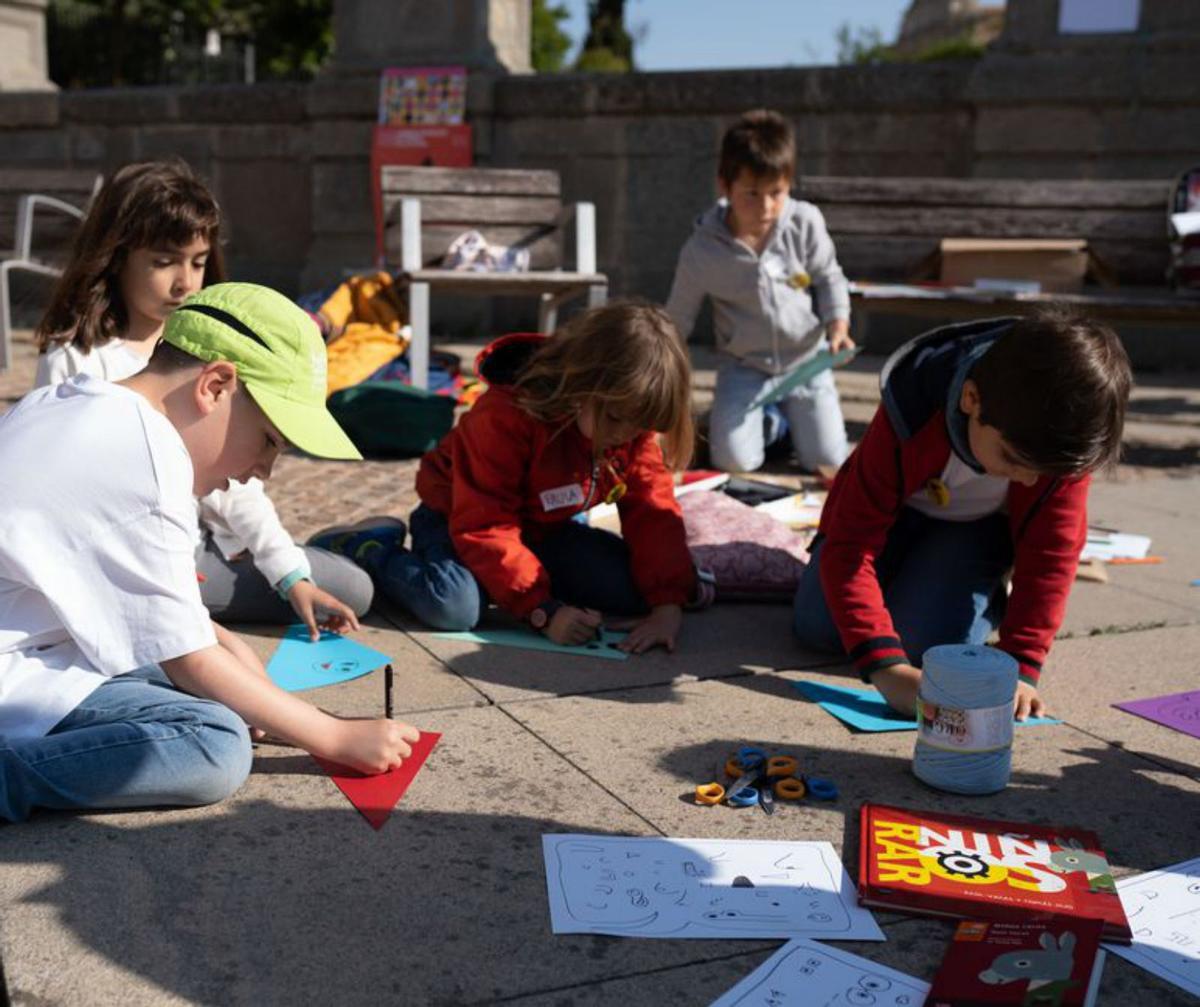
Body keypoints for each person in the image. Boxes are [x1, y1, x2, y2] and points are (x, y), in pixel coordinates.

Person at [0, 282, 420, 822]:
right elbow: (191, 662)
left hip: (35, 651)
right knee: (214, 742)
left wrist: (222, 645)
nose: (263, 470)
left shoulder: (77, 402)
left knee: (224, 691)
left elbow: (167, 620)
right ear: (216, 385)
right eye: (269, 440)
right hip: (17, 674)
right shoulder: (150, 464)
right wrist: (335, 736)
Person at [34, 160, 371, 639]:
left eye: (197, 262)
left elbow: (239, 484)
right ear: (117, 255)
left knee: (350, 588)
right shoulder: (76, 357)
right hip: (133, 560)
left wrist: (290, 575)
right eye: (164, 261)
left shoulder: (206, 343)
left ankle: (345, 548)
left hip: (201, 543)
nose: (186, 283)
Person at [314, 302, 712, 654]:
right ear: (581, 387)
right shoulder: (505, 415)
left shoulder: (626, 421)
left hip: (541, 530)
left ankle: (509, 583)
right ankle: (369, 547)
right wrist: (542, 611)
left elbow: (653, 508)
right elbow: (485, 523)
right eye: (615, 420)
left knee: (638, 590)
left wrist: (667, 606)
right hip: (455, 519)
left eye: (640, 426)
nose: (625, 436)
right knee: (455, 606)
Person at [792, 312, 1132, 720]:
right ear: (971, 399)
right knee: (817, 626)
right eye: (1012, 459)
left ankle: (983, 590)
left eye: (1041, 472)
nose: (1027, 480)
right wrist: (886, 669)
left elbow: (1051, 558)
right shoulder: (914, 401)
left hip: (974, 534)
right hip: (895, 519)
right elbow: (850, 545)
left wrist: (1022, 665)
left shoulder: (1058, 446)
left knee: (928, 644)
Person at [665, 108, 853, 474]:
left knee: (829, 460)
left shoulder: (805, 221)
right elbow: (678, 318)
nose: (766, 207)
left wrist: (838, 327)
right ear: (724, 185)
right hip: (744, 366)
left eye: (776, 193)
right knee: (734, 461)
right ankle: (774, 425)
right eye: (751, 193)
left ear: (789, 185)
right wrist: (661, 368)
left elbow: (830, 277)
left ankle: (789, 419)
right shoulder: (701, 250)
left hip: (806, 361)